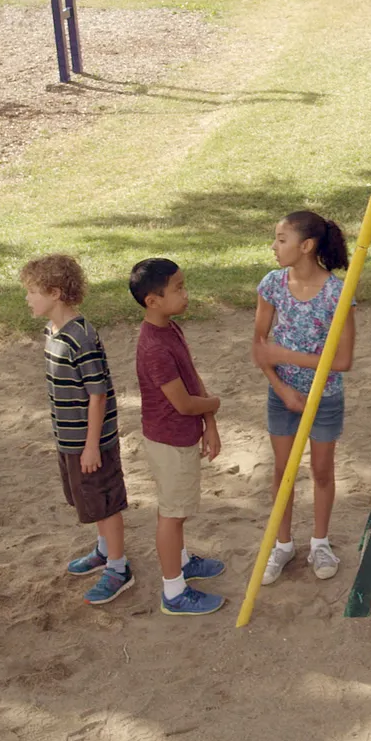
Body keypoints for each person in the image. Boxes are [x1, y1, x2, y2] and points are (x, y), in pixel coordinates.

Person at [253, 211, 357, 585]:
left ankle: (320, 543)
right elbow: (259, 347)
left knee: (322, 471)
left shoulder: (337, 292)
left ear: (307, 246)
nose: (274, 246)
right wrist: (282, 388)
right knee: (283, 471)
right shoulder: (272, 285)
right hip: (282, 395)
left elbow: (342, 361)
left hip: (324, 397)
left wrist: (286, 355)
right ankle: (282, 545)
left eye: (282, 240)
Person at [21, 254, 131, 606]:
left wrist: (92, 445)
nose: (27, 298)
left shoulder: (80, 338)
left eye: (32, 291)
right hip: (69, 438)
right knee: (89, 499)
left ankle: (119, 568)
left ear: (54, 293)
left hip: (90, 441)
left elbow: (97, 395)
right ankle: (104, 550)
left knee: (105, 502)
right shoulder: (52, 331)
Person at [129, 258, 228, 616]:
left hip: (181, 436)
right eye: (179, 288)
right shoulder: (154, 348)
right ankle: (173, 591)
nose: (186, 294)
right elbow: (184, 403)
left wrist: (210, 422)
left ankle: (183, 563)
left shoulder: (170, 328)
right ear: (152, 301)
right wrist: (214, 404)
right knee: (172, 516)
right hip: (169, 441)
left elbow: (192, 378)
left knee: (178, 511)